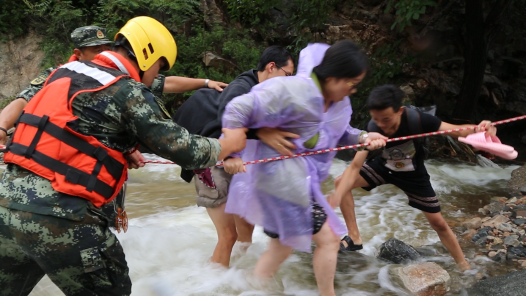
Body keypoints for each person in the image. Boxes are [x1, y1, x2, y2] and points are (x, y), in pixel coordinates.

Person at [0, 16, 246, 296]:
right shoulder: (127, 90)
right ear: (146, 54)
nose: (156, 74)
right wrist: (227, 144)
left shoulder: (62, 72)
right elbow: (183, 149)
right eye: (160, 66)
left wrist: (121, 148)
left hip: (7, 208)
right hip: (63, 217)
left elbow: (70, 127)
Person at [221, 41, 386, 296]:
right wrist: (231, 152)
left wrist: (364, 138)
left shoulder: (333, 102)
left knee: (282, 247)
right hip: (281, 183)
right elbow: (237, 109)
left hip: (296, 182)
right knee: (329, 240)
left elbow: (340, 133)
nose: (353, 90)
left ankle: (251, 287)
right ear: (332, 77)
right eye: (351, 83)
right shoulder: (293, 90)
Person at [332, 84, 497, 271]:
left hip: (413, 175)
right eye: (377, 119)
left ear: (400, 111)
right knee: (340, 182)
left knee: (439, 223)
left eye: (386, 119)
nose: (381, 124)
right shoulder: (372, 128)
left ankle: (463, 264)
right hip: (384, 167)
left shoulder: (416, 120)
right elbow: (355, 166)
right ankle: (354, 237)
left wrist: (480, 129)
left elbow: (457, 130)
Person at [173, 45, 298, 267]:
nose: (288, 82)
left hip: (232, 157)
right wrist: (230, 157)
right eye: (287, 75)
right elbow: (227, 117)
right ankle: (213, 286)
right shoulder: (242, 87)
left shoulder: (267, 93)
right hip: (210, 158)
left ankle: (238, 277)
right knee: (228, 236)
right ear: (271, 67)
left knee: (246, 228)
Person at [0, 26, 227, 146]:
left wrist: (206, 82)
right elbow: (23, 100)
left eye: (105, 46)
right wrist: (2, 128)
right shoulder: (57, 75)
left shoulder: (120, 79)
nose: (103, 52)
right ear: (78, 54)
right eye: (96, 50)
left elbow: (165, 82)